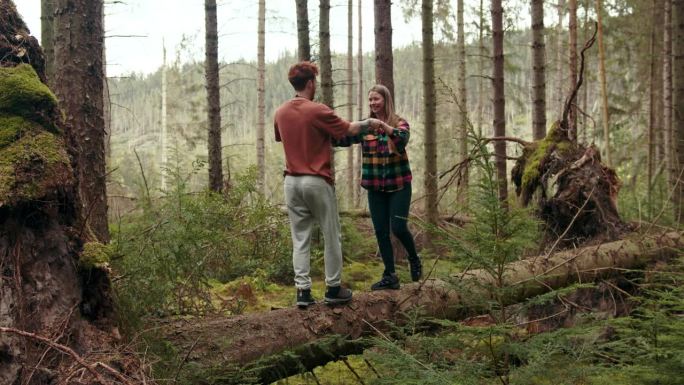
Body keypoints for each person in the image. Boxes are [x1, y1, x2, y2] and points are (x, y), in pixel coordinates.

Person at [274, 61, 371, 307]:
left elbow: (283, 137)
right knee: (331, 234)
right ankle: (333, 288)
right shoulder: (317, 110)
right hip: (316, 180)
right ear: (310, 83)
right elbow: (349, 129)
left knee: (300, 237)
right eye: (314, 82)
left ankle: (303, 292)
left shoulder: (280, 112)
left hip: (291, 181)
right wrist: (373, 123)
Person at [336, 84, 422, 290]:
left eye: (377, 99)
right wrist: (321, 131)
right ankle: (390, 275)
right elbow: (343, 139)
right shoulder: (365, 128)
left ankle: (414, 258)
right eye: (370, 100)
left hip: (399, 185)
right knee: (381, 231)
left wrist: (383, 126)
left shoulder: (400, 123)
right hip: (375, 188)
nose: (373, 103)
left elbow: (401, 140)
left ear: (386, 100)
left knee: (398, 227)